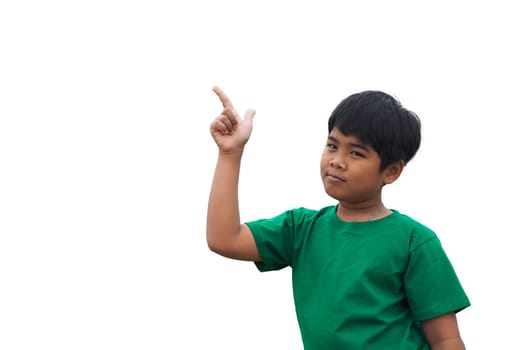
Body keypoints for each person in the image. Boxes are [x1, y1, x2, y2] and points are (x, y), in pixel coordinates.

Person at [206, 86, 470, 349]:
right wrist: (230, 154)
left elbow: (446, 339)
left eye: (356, 153)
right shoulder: (301, 230)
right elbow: (224, 239)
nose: (337, 161)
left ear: (391, 171)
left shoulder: (415, 241)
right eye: (332, 145)